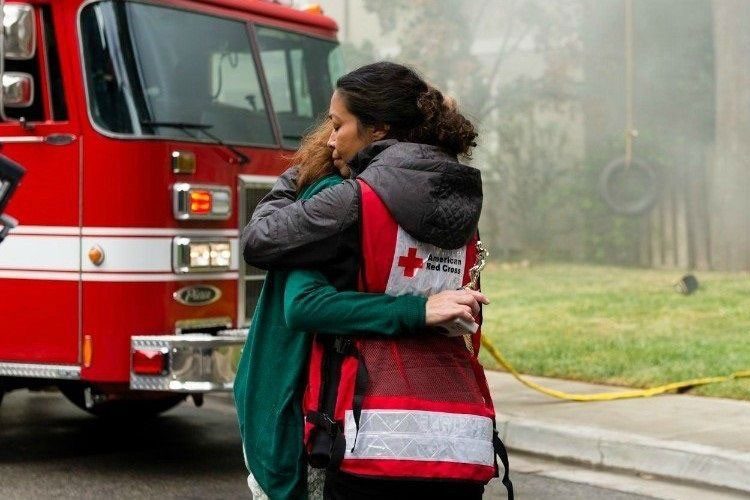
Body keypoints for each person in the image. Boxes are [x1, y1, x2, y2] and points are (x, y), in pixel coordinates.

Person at [242, 62, 512, 499]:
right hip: (457, 438)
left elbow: (262, 246)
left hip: (370, 435)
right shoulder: (462, 202)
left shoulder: (347, 202)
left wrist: (301, 172)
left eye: (338, 124)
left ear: (379, 127)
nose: (331, 139)